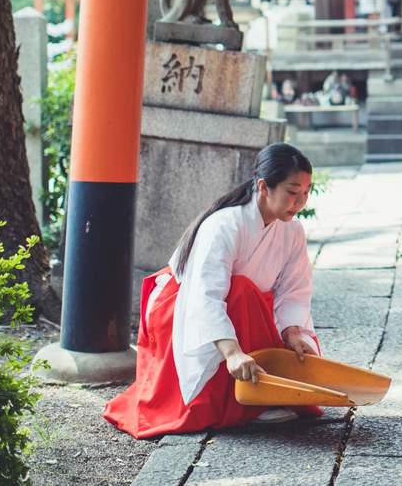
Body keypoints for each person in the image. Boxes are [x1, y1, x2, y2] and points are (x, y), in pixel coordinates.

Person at [104, 143, 321, 439]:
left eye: (306, 192)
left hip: (246, 309)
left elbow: (293, 288)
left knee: (254, 300)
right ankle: (245, 400)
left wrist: (292, 331)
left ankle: (258, 393)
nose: (300, 201)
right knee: (243, 289)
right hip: (186, 305)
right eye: (292, 192)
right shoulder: (224, 225)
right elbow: (205, 294)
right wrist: (232, 353)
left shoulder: (292, 231)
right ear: (264, 187)